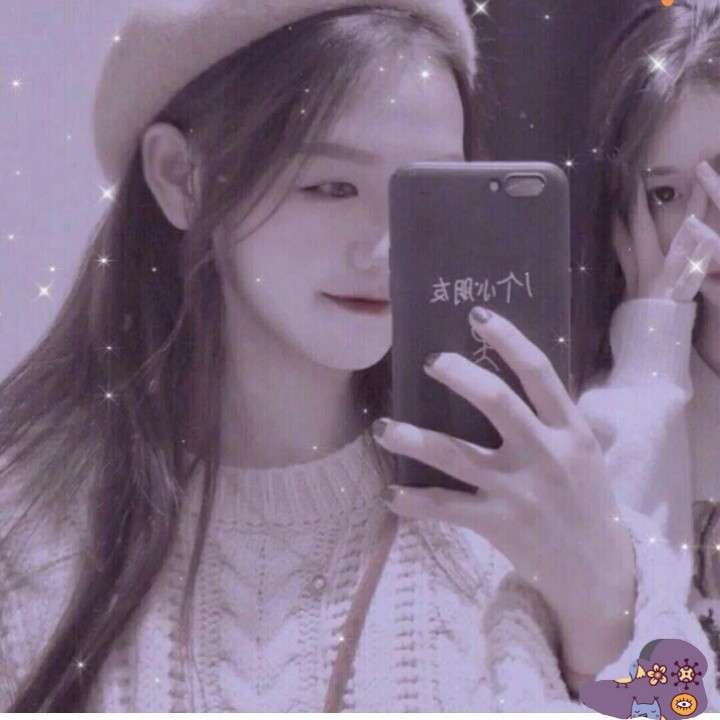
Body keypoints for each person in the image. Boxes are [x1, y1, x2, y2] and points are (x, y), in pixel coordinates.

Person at [0, 0, 711, 712]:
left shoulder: (525, 497)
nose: (388, 247)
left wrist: (604, 615)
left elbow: (683, 697)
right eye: (331, 187)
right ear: (180, 176)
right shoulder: (32, 537)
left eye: (423, 192)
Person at [577, 0, 720, 690]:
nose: (704, 223)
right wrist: (649, 345)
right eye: (665, 193)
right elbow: (631, 685)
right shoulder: (605, 407)